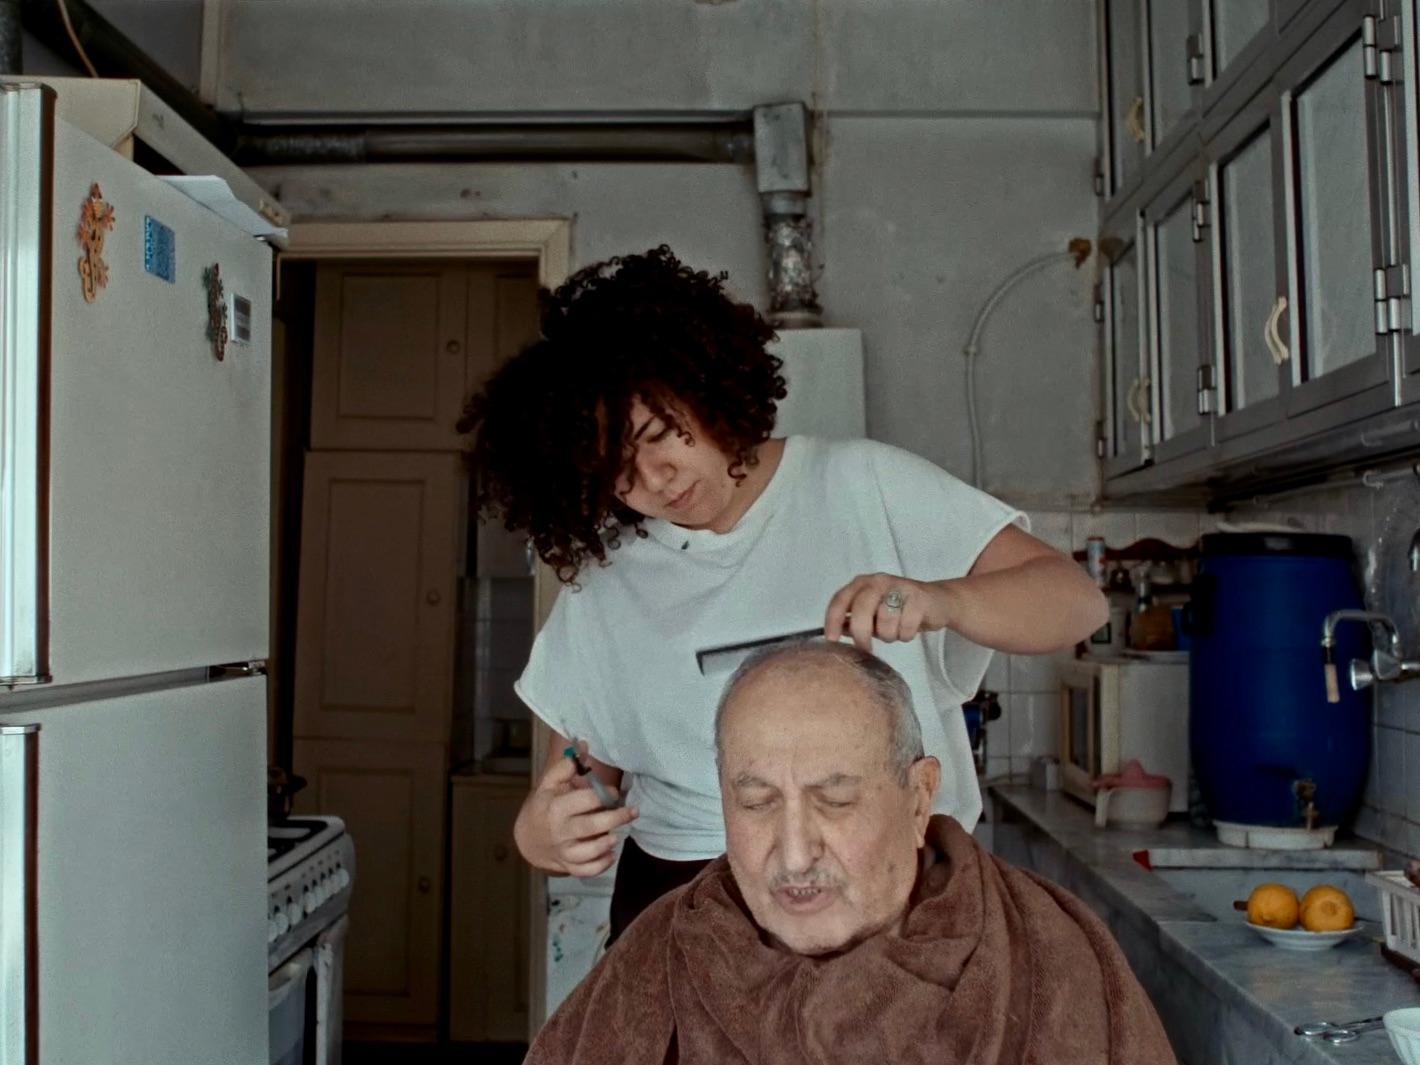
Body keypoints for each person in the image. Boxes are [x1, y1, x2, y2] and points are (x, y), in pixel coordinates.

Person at [459, 245, 1107, 941]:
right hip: (684, 911)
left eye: (658, 433)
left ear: (700, 383)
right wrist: (541, 829)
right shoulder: (609, 578)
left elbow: (1077, 601)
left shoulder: (865, 484)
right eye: (618, 469)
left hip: (889, 893)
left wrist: (945, 599)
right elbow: (580, 775)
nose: (655, 478)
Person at [524, 641, 1178, 1065]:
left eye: (835, 800)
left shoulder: (1048, 957)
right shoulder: (658, 955)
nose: (795, 854)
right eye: (756, 802)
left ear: (919, 798)